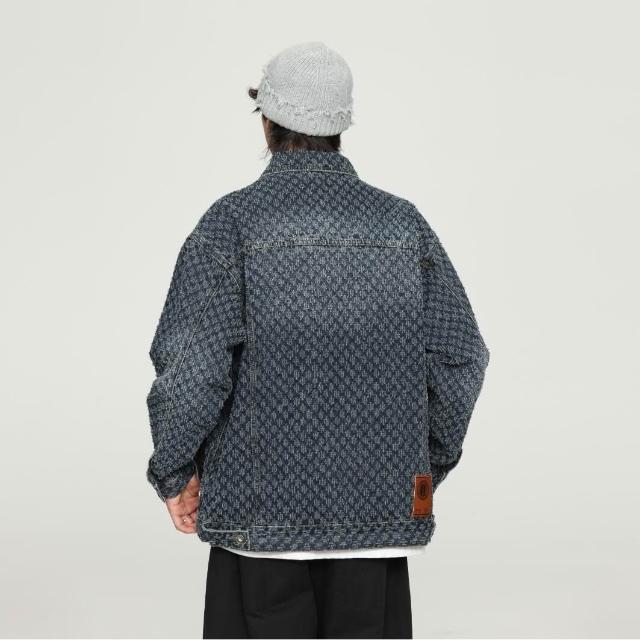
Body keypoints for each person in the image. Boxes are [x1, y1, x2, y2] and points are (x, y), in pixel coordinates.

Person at [145, 41, 490, 639]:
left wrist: (175, 473)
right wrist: (415, 467)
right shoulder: (403, 225)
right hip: (376, 525)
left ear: (267, 119)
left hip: (258, 526)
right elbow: (461, 358)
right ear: (341, 125)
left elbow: (192, 368)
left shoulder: (231, 224)